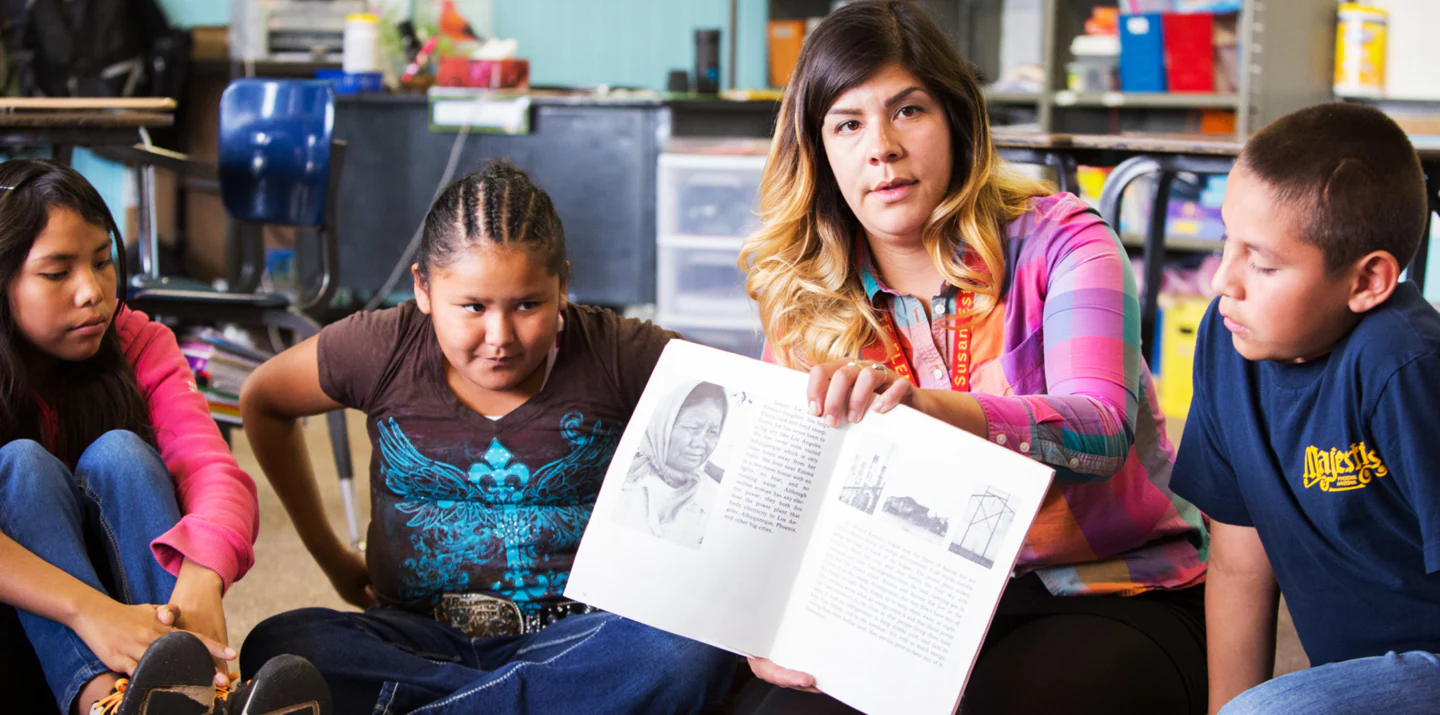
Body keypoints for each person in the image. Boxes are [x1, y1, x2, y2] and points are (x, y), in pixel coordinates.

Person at [734, 3, 1209, 713]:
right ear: (819, 151)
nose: (882, 148)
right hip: (910, 604)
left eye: (909, 110)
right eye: (848, 123)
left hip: (1105, 586)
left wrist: (930, 410)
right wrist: (763, 620)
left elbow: (1103, 428)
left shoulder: (1063, 240)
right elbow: (789, 494)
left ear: (956, 120)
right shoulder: (808, 292)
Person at [237, 160, 737, 714]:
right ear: (424, 288)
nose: (499, 338)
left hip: (571, 640)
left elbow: (752, 406)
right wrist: (330, 555)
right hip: (417, 639)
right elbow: (264, 400)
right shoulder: (381, 347)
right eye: (472, 307)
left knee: (689, 650)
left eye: (528, 305)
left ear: (562, 287)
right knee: (281, 645)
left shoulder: (618, 350)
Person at [0, 159, 327, 715]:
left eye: (103, 263)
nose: (93, 292)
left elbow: (212, 470)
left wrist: (201, 579)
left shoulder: (138, 343)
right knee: (21, 467)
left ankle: (190, 691)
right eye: (58, 273)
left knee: (122, 455)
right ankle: (106, 702)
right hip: (25, 632)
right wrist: (88, 612)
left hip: (139, 623)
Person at [1170, 103, 1440, 715]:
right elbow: (1239, 568)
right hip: (1350, 685)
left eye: (1263, 264)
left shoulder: (1405, 364)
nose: (1222, 281)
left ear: (1368, 281)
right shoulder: (1227, 336)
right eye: (1224, 243)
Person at [615, 380, 728, 547]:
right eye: (692, 428)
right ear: (664, 425)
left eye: (712, 432)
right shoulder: (622, 475)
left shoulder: (715, 498)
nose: (701, 442)